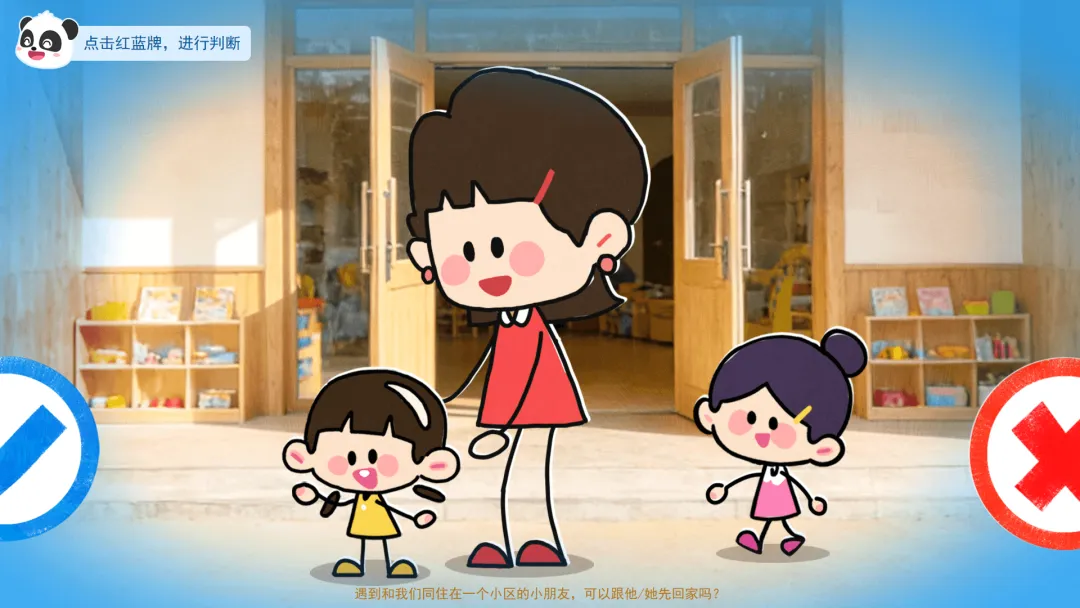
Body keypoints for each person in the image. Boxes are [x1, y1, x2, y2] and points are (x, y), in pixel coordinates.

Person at [404, 66, 649, 568]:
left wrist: (502, 417)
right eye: (463, 250)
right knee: (515, 463)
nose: (487, 268)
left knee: (532, 459)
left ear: (601, 237)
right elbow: (499, 360)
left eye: (501, 245)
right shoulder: (509, 323)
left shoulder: (533, 327)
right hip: (512, 397)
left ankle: (535, 537)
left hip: (537, 397)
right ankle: (508, 536)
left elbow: (532, 365)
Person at [694, 328, 868, 556]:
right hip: (773, 493)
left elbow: (783, 481)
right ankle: (782, 537)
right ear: (710, 416)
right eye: (750, 418)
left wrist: (811, 499)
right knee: (774, 516)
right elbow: (752, 477)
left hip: (777, 493)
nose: (762, 434)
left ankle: (778, 537)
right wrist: (726, 488)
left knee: (776, 516)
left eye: (776, 424)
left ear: (823, 448)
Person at [282, 368, 461, 578]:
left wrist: (415, 517)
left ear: (433, 464)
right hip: (363, 519)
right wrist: (315, 496)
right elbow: (340, 502)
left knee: (382, 540)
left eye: (375, 457)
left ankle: (387, 564)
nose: (363, 470)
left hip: (378, 519)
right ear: (303, 456)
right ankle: (362, 564)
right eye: (349, 458)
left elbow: (390, 508)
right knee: (365, 541)